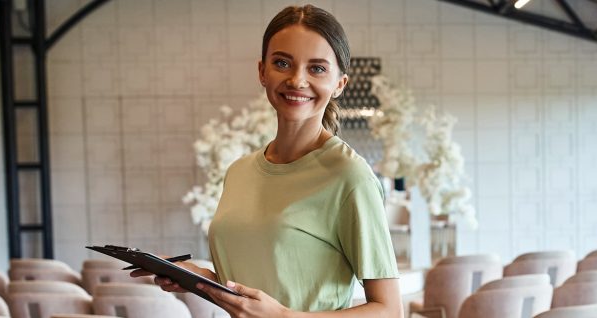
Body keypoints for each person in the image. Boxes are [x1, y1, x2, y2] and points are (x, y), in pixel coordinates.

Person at [131, 4, 401, 317]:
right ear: (262, 71)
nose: (297, 80)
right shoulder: (239, 172)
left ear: (339, 84)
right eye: (282, 63)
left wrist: (284, 317)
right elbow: (258, 291)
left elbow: (390, 310)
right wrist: (199, 279)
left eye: (317, 68)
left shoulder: (350, 177)